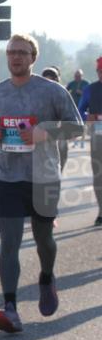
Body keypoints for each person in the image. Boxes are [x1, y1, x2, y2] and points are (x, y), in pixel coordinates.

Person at [0, 35, 82, 333]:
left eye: (21, 53)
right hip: (7, 176)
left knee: (43, 240)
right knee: (9, 241)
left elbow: (76, 126)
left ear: (32, 58)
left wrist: (44, 132)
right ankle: (10, 308)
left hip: (44, 176)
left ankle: (47, 277)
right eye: (11, 52)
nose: (15, 57)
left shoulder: (52, 91)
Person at [76, 57, 102, 226]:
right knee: (99, 176)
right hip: (98, 136)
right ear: (98, 72)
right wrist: (89, 116)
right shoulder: (90, 89)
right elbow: (78, 111)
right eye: (101, 71)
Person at [41, 67, 70, 171]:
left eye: (52, 80)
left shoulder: (63, 95)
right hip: (39, 139)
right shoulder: (35, 97)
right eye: (46, 81)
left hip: (58, 136)